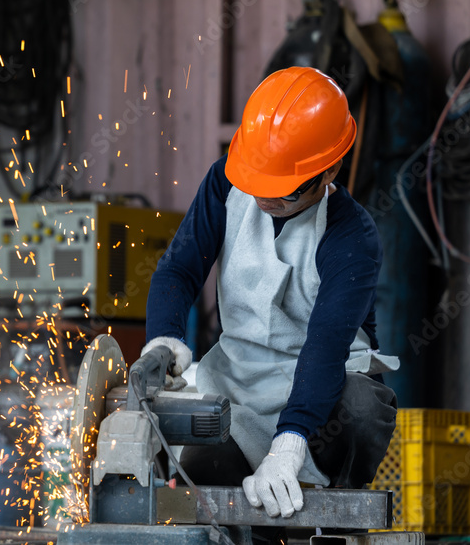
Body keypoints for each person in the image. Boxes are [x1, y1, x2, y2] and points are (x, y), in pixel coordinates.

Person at [141, 66, 399, 524]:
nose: (263, 199)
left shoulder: (352, 236)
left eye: (281, 193)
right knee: (206, 483)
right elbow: (178, 270)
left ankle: (334, 512)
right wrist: (164, 339)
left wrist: (290, 443)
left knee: (363, 409)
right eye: (256, 183)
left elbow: (324, 347)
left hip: (325, 396)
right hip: (238, 392)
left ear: (330, 169)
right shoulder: (225, 184)